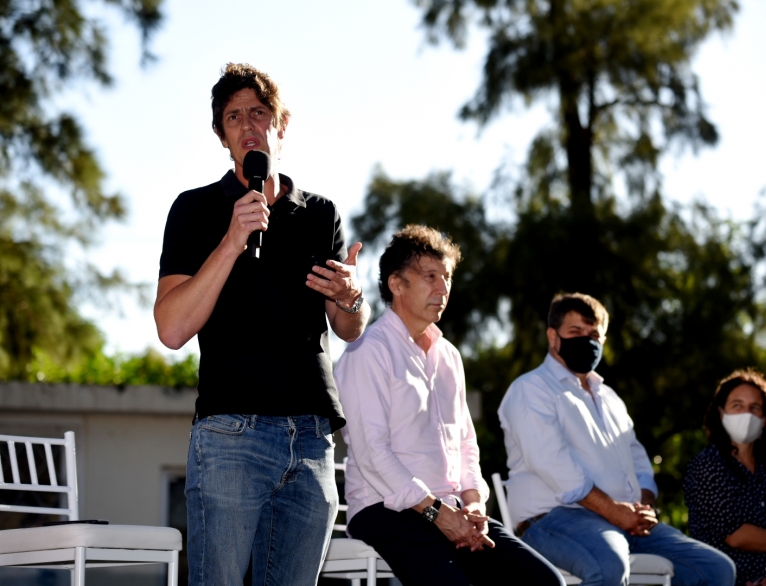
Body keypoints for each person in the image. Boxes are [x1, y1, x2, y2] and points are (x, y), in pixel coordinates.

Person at [154, 63, 370, 586]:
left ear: (282, 123)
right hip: (231, 434)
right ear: (221, 135)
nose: (248, 124)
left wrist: (352, 295)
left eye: (259, 112)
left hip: (313, 436)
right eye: (234, 117)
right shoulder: (195, 209)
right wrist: (231, 240)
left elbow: (349, 328)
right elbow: (172, 328)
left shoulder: (320, 213)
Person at [334, 225, 565, 586]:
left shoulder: (449, 356)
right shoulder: (368, 351)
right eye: (430, 276)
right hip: (385, 509)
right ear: (397, 284)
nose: (443, 289)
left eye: (447, 277)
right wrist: (438, 514)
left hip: (451, 508)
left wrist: (473, 503)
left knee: (545, 582)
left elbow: (466, 444)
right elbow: (371, 454)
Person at [498, 292, 736, 586]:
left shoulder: (610, 398)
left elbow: (638, 460)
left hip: (626, 522)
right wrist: (613, 511)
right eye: (575, 332)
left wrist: (643, 507)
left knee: (716, 570)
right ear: (552, 336)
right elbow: (554, 465)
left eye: (594, 334)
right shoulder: (531, 389)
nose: (586, 340)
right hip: (555, 520)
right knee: (608, 565)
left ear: (604, 342)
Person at [684, 369, 766, 586]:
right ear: (721, 413)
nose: (746, 413)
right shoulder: (706, 465)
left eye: (754, 408)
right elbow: (735, 534)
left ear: (764, 420)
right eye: (737, 405)